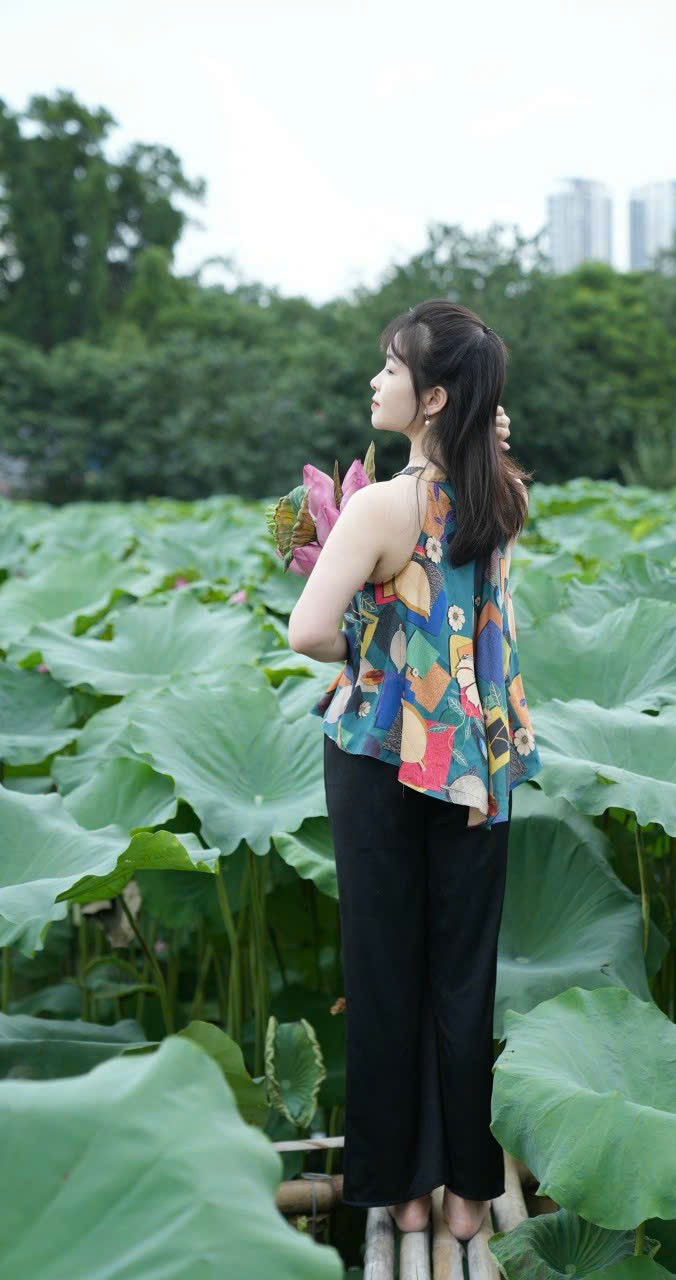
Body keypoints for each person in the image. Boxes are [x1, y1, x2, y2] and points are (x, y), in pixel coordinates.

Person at [287, 299, 542, 1242]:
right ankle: (470, 1193)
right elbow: (486, 457)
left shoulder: (376, 507)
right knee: (462, 975)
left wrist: (371, 654)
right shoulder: (503, 495)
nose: (375, 381)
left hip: (382, 756)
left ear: (431, 397)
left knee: (384, 970)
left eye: (391, 369)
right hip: (479, 760)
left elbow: (307, 630)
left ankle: (400, 1188)